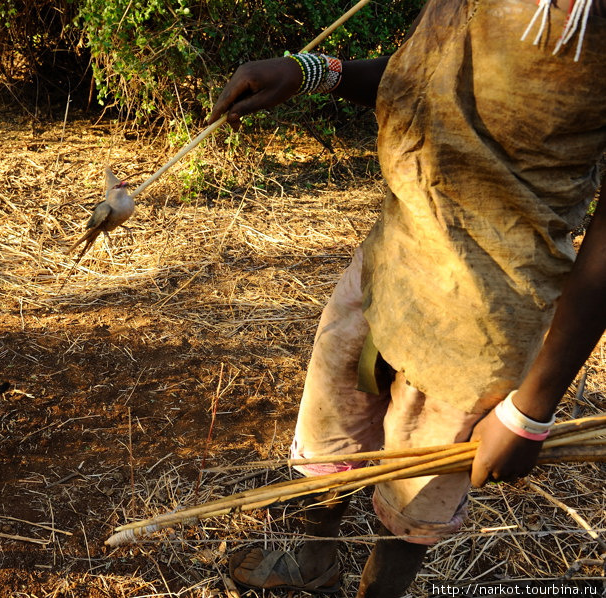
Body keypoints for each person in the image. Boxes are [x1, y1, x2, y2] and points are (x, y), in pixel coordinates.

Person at [206, 0, 606, 596]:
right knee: (331, 424)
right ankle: (316, 563)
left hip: (486, 312)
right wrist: (316, 71)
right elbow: (426, 82)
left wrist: (531, 410)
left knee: (417, 484)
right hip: (393, 253)